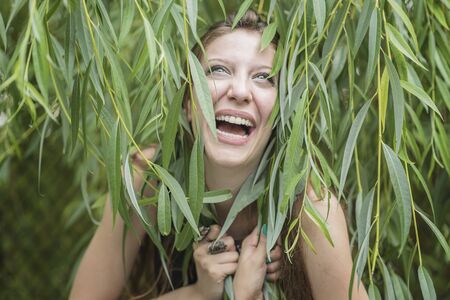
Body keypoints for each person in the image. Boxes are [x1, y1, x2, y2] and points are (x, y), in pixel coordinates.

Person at [69, 10, 368, 300]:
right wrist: (199, 294)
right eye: (218, 70)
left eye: (264, 77)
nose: (239, 91)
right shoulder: (147, 177)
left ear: (282, 116)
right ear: (187, 103)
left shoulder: (312, 213)